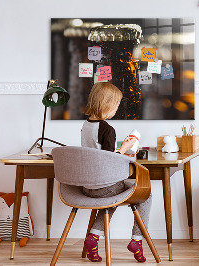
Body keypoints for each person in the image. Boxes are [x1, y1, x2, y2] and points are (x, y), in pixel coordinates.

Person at [81, 82, 152, 263]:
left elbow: (98, 154)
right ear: (107, 105)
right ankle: (137, 240)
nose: (116, 110)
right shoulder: (107, 129)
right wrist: (125, 148)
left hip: (87, 186)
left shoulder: (86, 125)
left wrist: (122, 150)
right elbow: (109, 161)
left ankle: (94, 238)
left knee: (111, 198)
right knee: (146, 194)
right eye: (116, 106)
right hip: (104, 186)